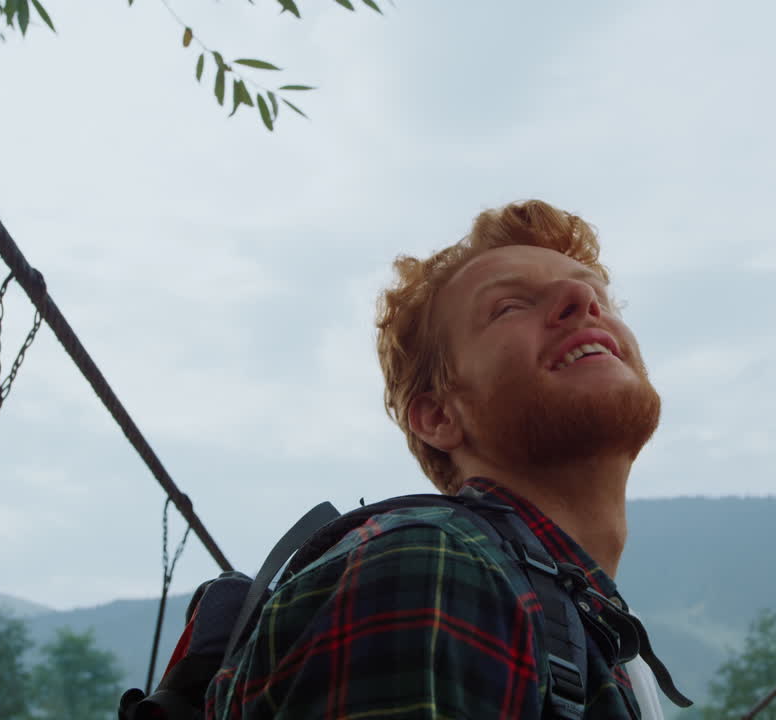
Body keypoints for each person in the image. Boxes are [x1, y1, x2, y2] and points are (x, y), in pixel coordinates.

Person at [209, 200, 675, 719]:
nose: (584, 299)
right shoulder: (431, 564)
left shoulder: (594, 630)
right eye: (509, 305)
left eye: (599, 295)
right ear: (437, 417)